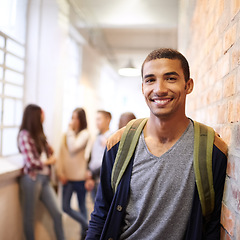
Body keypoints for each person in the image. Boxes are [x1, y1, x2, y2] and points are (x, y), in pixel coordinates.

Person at [86, 48, 228, 239]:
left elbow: (211, 226)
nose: (159, 89)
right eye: (150, 80)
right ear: (142, 87)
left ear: (188, 85)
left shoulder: (212, 150)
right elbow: (101, 213)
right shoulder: (119, 144)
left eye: (170, 78)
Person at [18, 104, 65, 240]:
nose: (44, 116)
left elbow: (45, 155)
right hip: (32, 178)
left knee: (57, 213)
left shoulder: (39, 134)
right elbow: (31, 162)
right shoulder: (24, 135)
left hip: (44, 179)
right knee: (29, 216)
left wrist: (49, 151)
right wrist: (49, 162)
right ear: (34, 116)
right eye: (41, 114)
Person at [57, 108, 90, 239]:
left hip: (79, 178)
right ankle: (87, 225)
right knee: (65, 207)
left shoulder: (85, 134)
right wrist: (60, 173)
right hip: (67, 178)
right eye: (72, 117)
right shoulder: (67, 135)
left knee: (82, 206)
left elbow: (73, 147)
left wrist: (70, 131)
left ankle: (85, 234)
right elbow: (62, 155)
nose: (73, 121)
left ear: (81, 120)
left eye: (76, 118)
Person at [86, 110, 112, 201]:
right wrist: (88, 173)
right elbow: (92, 156)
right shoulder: (97, 136)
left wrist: (92, 174)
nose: (97, 122)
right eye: (96, 119)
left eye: (99, 119)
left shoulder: (112, 138)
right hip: (92, 179)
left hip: (101, 180)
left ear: (108, 120)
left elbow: (108, 161)